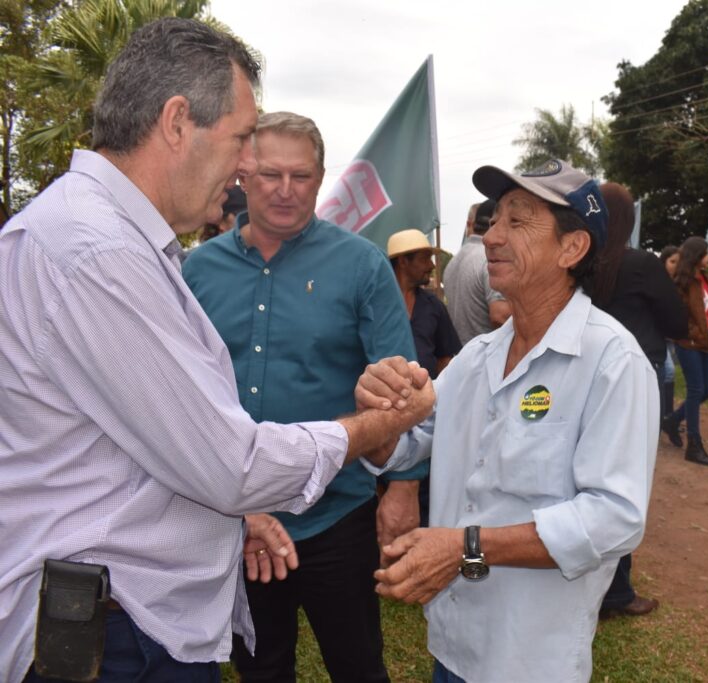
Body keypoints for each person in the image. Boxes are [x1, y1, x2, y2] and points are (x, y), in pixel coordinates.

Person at [0, 20, 432, 682]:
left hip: (156, 596)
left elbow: (131, 438)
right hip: (115, 632)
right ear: (178, 122)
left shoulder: (99, 241)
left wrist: (221, 511)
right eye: (240, 144)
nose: (243, 169)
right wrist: (375, 427)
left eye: (296, 173)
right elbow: (231, 465)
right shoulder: (101, 255)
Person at [357, 159, 658, 683]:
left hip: (530, 657)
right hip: (454, 643)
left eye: (517, 221)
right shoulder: (477, 357)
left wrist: (464, 547)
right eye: (495, 219)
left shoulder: (611, 362)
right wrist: (380, 414)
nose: (492, 236)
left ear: (571, 248)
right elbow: (409, 445)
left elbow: (614, 517)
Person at [183, 111, 426, 682]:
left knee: (359, 665)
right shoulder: (197, 271)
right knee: (261, 668)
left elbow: (404, 387)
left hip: (336, 515)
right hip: (238, 519)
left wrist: (405, 487)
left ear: (321, 179)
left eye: (302, 176)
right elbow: (183, 399)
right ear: (244, 173)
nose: (285, 190)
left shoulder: (362, 266)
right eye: (270, 174)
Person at [591, 182, 686, 620]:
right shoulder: (642, 264)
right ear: (628, 221)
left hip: (586, 376)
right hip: (636, 378)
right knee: (625, 481)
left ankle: (601, 583)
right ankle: (617, 591)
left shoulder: (582, 263)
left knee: (589, 478)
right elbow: (676, 319)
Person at [664, 236, 708, 465]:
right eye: (706, 253)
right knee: (696, 389)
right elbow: (678, 313)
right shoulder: (683, 282)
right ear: (696, 255)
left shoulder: (704, 279)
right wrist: (692, 333)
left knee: (707, 390)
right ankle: (694, 444)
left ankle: (672, 421)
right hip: (689, 344)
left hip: (706, 343)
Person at [388, 228, 462, 379]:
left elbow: (445, 358)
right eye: (424, 259)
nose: (432, 266)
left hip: (427, 398)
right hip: (383, 399)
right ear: (403, 262)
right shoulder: (374, 305)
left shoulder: (434, 306)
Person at [443, 199, 511, 344]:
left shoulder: (454, 260)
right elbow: (500, 316)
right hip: (489, 356)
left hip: (466, 355)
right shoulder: (490, 259)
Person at [658, 246, 682, 441]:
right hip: (657, 336)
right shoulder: (656, 280)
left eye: (678, 263)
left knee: (669, 372)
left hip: (670, 337)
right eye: (672, 262)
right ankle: (664, 415)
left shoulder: (679, 284)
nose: (675, 266)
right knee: (667, 371)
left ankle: (668, 414)